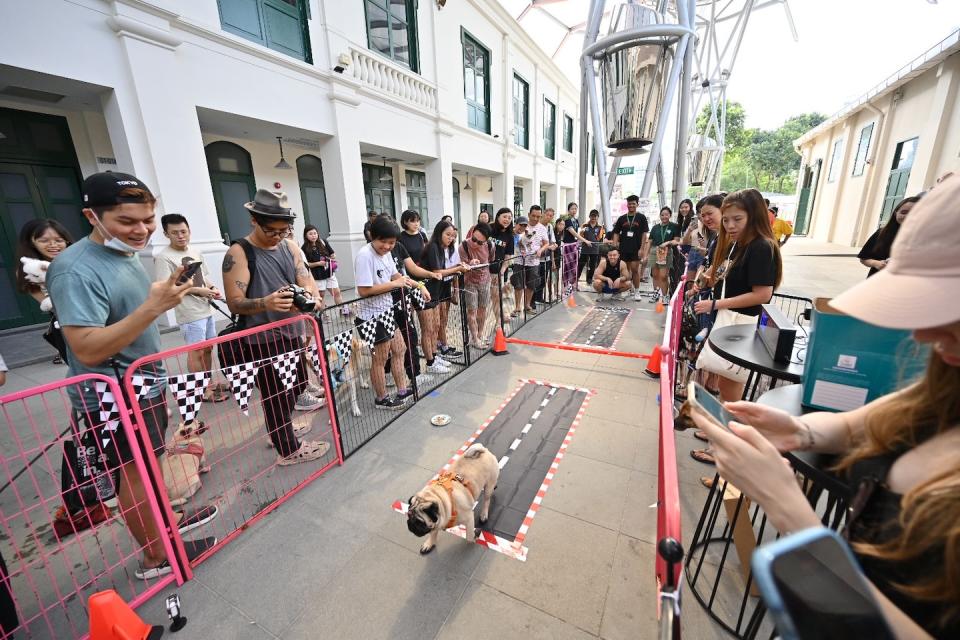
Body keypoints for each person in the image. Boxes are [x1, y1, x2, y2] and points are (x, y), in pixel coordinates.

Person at [689, 173, 960, 639]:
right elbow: (882, 417)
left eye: (946, 314)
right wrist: (803, 431)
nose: (922, 336)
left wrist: (788, 509)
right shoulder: (945, 384)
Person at [46, 171, 218, 579]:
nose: (141, 230)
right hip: (114, 394)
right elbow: (86, 346)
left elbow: (126, 315)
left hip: (144, 383)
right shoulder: (74, 269)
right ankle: (157, 556)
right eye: (127, 221)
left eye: (147, 219)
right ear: (92, 215)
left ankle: (165, 528)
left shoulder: (123, 255)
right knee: (134, 475)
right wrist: (155, 308)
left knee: (148, 466)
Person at [221, 189, 331, 458]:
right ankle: (288, 449)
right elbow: (234, 302)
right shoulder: (239, 252)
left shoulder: (290, 246)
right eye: (272, 230)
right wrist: (266, 303)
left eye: (285, 230)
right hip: (261, 338)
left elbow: (307, 281)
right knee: (274, 395)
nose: (279, 236)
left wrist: (313, 299)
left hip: (292, 331)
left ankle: (279, 429)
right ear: (254, 221)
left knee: (297, 384)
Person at [690, 189, 782, 465]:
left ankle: (726, 452)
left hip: (742, 326)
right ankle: (721, 438)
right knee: (728, 392)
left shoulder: (761, 246)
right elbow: (722, 274)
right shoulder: (736, 244)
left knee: (733, 397)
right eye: (726, 220)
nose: (729, 226)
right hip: (730, 323)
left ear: (753, 217)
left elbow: (762, 294)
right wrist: (707, 280)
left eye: (737, 219)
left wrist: (716, 304)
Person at [155, 214, 230, 406]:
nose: (180, 236)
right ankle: (200, 390)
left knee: (207, 349)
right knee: (195, 352)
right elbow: (167, 287)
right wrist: (200, 290)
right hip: (189, 313)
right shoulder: (164, 257)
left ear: (189, 231)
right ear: (166, 234)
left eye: (183, 231)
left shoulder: (196, 251)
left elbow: (203, 277)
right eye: (174, 233)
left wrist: (212, 289)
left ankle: (210, 384)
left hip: (206, 309)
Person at [352, 216, 418, 408]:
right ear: (372, 236)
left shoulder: (387, 253)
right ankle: (381, 398)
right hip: (370, 316)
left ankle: (402, 390)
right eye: (383, 242)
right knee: (379, 359)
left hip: (386, 311)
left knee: (400, 349)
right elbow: (364, 291)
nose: (387, 246)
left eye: (392, 243)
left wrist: (417, 285)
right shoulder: (365, 255)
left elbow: (395, 275)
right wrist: (395, 284)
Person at [385, 211, 439, 384]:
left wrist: (426, 278)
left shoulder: (398, 247)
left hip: (403, 297)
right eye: (386, 240)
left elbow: (409, 271)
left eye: (392, 241)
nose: (389, 245)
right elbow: (368, 288)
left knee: (410, 336)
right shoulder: (373, 254)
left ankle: (413, 374)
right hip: (384, 305)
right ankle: (389, 375)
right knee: (389, 345)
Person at [15, 219, 73, 364]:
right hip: (70, 327)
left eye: (59, 240)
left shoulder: (79, 260)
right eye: (44, 240)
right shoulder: (29, 271)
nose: (53, 245)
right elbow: (51, 305)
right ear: (31, 242)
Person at [417, 220, 468, 370]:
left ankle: (434, 355)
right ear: (439, 233)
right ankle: (430, 362)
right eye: (448, 235)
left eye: (453, 236)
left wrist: (459, 267)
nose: (451, 238)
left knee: (436, 326)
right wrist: (457, 268)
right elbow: (437, 271)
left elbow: (442, 270)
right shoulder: (433, 247)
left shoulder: (441, 248)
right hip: (426, 292)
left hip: (436, 291)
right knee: (428, 329)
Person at [858, 197, 920, 277]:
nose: (907, 216)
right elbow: (864, 258)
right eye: (904, 212)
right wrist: (877, 263)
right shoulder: (882, 233)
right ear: (896, 213)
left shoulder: (931, 237)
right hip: (880, 282)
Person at [459, 222, 493, 348]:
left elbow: (491, 260)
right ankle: (474, 338)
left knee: (483, 309)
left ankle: (480, 334)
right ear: (472, 232)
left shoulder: (490, 245)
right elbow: (461, 266)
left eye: (480, 242)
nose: (475, 244)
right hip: (469, 282)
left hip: (485, 280)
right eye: (474, 239)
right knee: (472, 311)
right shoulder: (463, 246)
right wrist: (469, 263)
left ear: (485, 241)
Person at [612, 194, 650, 300]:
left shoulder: (641, 218)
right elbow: (616, 232)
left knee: (634, 270)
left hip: (635, 249)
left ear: (637, 204)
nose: (631, 205)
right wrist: (614, 246)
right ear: (627, 205)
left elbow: (644, 234)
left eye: (633, 203)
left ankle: (637, 291)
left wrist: (642, 249)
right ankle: (621, 290)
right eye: (629, 204)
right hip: (623, 249)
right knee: (623, 271)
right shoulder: (622, 218)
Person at [301, 225, 346, 313]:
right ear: (306, 236)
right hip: (317, 275)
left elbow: (332, 253)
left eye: (315, 233)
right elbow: (305, 264)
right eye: (310, 234)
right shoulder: (304, 248)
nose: (313, 235)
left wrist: (332, 257)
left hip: (329, 272)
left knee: (336, 292)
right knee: (321, 295)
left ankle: (343, 311)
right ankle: (323, 313)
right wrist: (318, 263)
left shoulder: (323, 242)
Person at [512, 210, 549, 315]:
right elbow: (514, 235)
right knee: (518, 284)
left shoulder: (542, 228)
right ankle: (517, 307)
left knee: (531, 284)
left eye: (538, 216)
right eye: (533, 216)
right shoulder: (523, 225)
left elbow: (546, 243)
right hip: (519, 260)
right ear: (529, 214)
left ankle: (527, 306)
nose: (535, 218)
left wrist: (541, 250)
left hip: (534, 261)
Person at [647, 206, 682, 301]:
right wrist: (646, 255)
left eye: (666, 214)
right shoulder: (655, 227)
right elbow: (649, 242)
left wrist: (668, 242)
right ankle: (656, 294)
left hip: (666, 251)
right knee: (655, 275)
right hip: (654, 251)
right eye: (662, 215)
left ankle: (665, 296)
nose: (664, 217)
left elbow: (677, 240)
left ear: (670, 215)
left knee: (663, 276)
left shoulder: (674, 226)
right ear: (660, 216)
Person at [488, 207, 515, 322]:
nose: (507, 219)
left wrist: (502, 270)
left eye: (509, 217)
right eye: (504, 216)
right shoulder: (488, 229)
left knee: (496, 297)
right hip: (483, 270)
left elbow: (508, 256)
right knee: (483, 301)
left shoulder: (510, 236)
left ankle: (499, 321)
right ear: (498, 216)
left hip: (497, 271)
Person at [578, 209, 604, 286]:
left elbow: (601, 239)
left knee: (593, 266)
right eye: (592, 216)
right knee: (581, 264)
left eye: (595, 216)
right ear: (589, 216)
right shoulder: (584, 225)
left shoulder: (600, 227)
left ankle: (589, 279)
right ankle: (576, 278)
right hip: (585, 249)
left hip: (595, 249)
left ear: (597, 217)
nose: (593, 218)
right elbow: (580, 236)